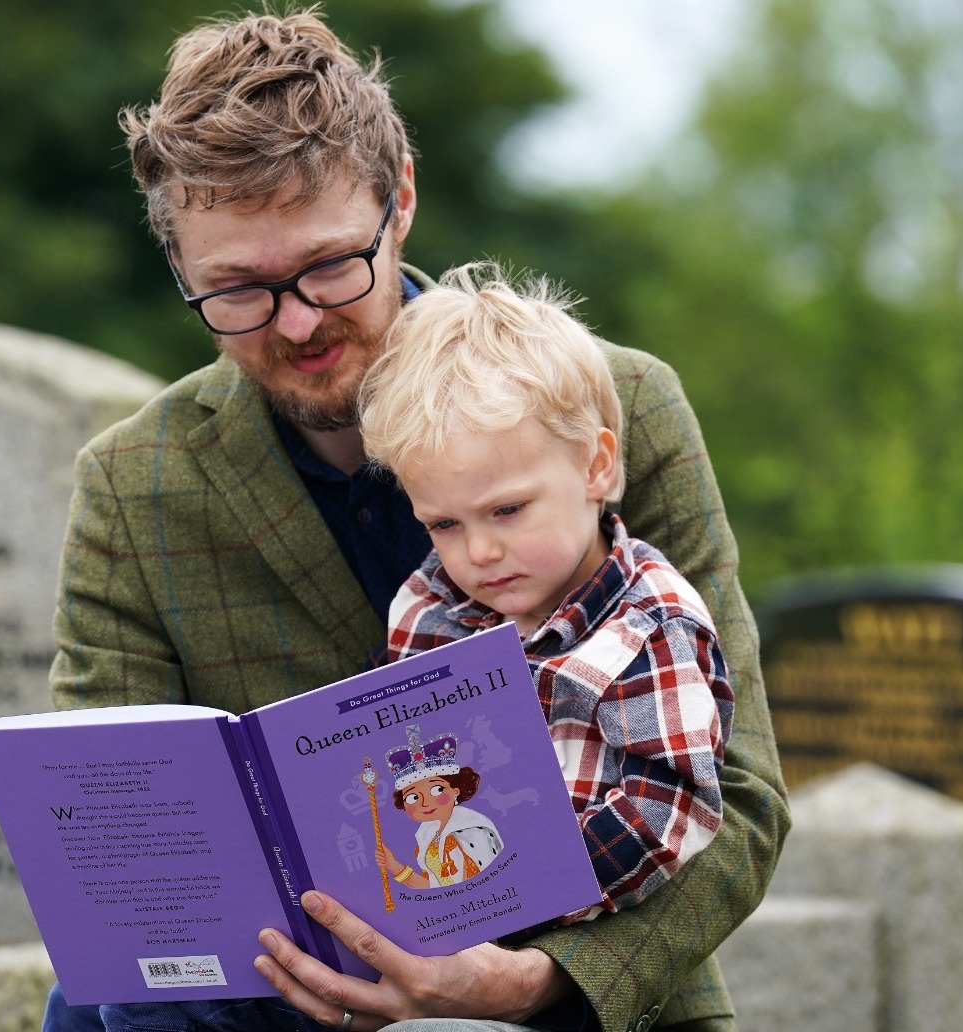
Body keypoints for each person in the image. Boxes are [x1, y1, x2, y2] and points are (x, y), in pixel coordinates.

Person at [46, 8, 789, 1032]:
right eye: (237, 291)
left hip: (573, 995)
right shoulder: (134, 484)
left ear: (399, 202)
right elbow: (118, 853)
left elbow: (743, 796)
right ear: (180, 269)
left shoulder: (617, 405)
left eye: (326, 269)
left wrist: (537, 985)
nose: (297, 322)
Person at [363, 266, 733, 926]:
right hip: (432, 903)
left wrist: (516, 898)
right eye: (444, 524)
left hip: (559, 941)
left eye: (507, 510)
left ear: (596, 467)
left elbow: (668, 805)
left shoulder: (648, 625)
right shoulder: (427, 607)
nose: (477, 552)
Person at [380, 725, 502, 890]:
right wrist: (393, 865)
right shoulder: (427, 836)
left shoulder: (472, 832)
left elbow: (478, 887)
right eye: (413, 797)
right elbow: (435, 889)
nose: (424, 803)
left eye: (437, 790)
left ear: (456, 790)